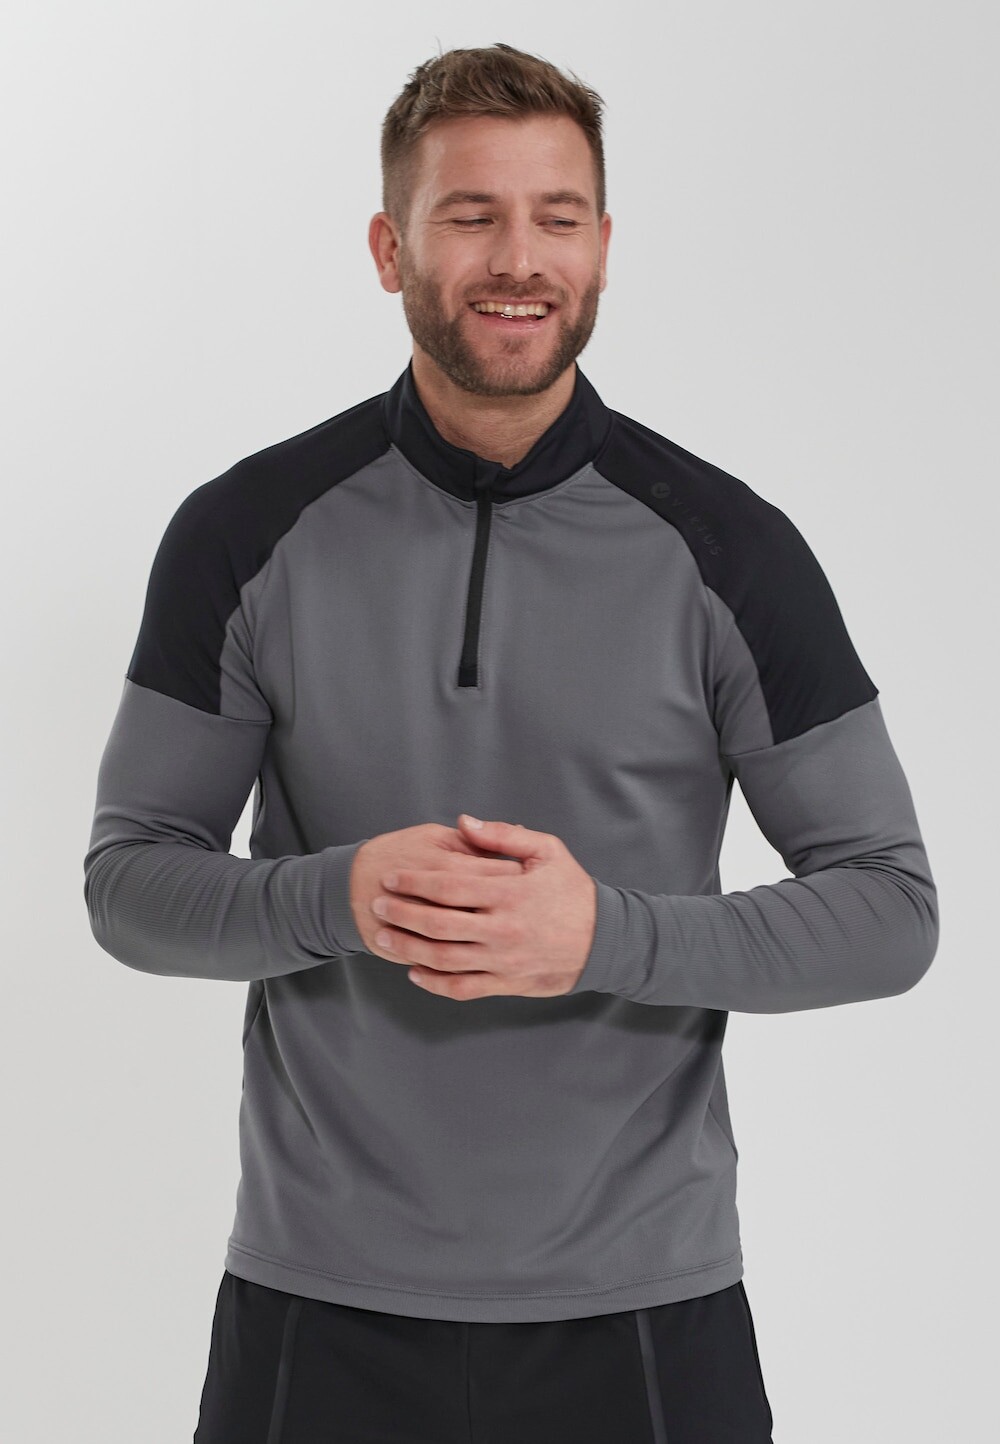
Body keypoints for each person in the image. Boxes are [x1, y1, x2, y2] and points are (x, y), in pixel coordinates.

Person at [83, 41, 938, 1444]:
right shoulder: (244, 533)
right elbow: (129, 885)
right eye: (471, 214)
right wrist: (340, 899)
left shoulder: (733, 550)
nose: (518, 260)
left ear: (602, 246)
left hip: (648, 1318)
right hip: (315, 1308)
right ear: (390, 247)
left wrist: (606, 935)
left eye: (558, 217)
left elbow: (892, 910)